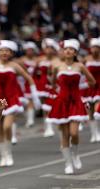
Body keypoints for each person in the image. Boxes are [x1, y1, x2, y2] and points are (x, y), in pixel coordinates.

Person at [0, 40, 41, 167]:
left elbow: (29, 79)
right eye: (2, 50)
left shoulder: (15, 66)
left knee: (7, 126)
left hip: (11, 100)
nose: (4, 53)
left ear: (11, 53)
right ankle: (4, 155)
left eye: (7, 51)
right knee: (0, 129)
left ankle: (9, 154)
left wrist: (35, 97)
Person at [46, 39, 95, 174]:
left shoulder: (80, 66)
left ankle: (75, 154)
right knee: (65, 135)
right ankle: (68, 163)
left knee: (74, 133)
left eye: (71, 49)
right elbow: (54, 83)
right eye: (66, 49)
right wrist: (58, 93)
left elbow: (92, 81)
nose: (68, 51)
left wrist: (80, 90)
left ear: (75, 52)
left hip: (76, 102)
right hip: (62, 102)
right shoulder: (57, 67)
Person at [38, 38, 60, 137]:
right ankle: (48, 126)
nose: (48, 50)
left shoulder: (57, 60)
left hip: (54, 85)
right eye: (47, 48)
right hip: (43, 86)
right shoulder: (40, 60)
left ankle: (57, 122)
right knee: (44, 106)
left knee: (54, 104)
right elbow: (35, 72)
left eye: (51, 48)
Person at [83, 37, 100, 143]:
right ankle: (94, 133)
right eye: (93, 47)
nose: (94, 49)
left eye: (96, 47)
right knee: (90, 111)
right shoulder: (86, 59)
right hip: (89, 87)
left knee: (98, 108)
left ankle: (98, 132)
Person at [18, 41, 39, 128]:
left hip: (34, 82)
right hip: (23, 82)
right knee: (24, 102)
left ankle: (30, 119)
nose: (29, 52)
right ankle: (29, 118)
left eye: (31, 50)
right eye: (28, 50)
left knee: (31, 100)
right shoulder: (21, 60)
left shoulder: (37, 60)